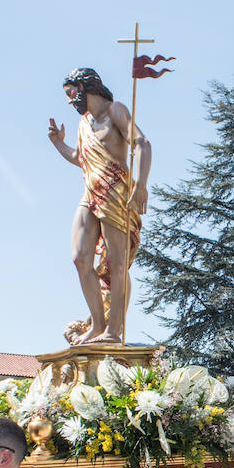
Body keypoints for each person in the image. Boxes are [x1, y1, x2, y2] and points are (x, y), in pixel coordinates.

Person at [47, 67, 153, 344]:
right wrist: (59, 144)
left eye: (71, 92)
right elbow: (81, 158)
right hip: (90, 192)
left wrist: (140, 183)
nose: (71, 100)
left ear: (85, 86)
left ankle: (113, 331)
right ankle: (97, 324)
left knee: (117, 264)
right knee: (81, 258)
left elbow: (141, 142)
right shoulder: (84, 122)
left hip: (116, 192)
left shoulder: (115, 110)